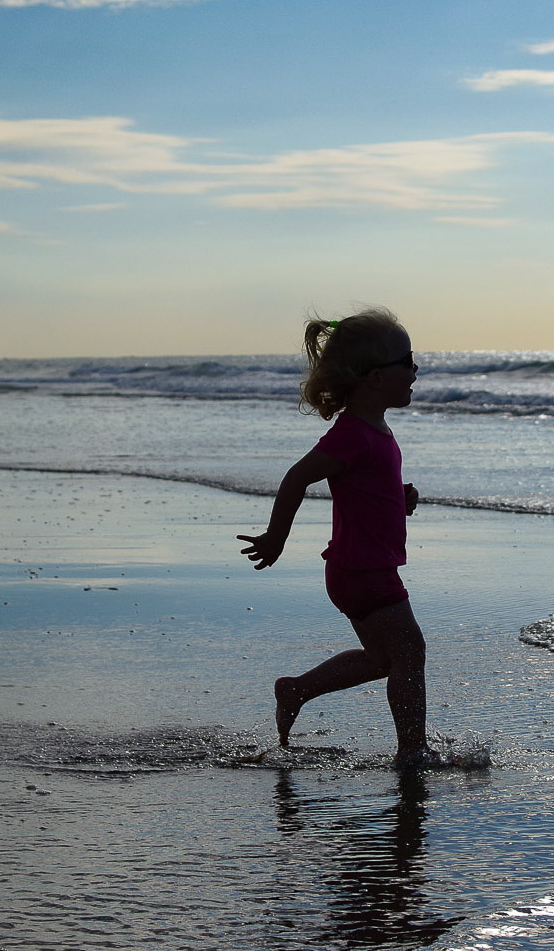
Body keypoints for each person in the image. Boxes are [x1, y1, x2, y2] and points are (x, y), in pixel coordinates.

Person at [238, 307, 429, 765]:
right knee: (409, 651)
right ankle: (412, 753)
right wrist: (276, 538)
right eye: (408, 361)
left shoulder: (375, 429)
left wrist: (397, 496)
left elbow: (363, 485)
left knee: (384, 657)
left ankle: (297, 689)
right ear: (376, 378)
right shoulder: (352, 434)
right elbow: (296, 477)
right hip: (361, 569)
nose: (415, 370)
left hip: (361, 566)